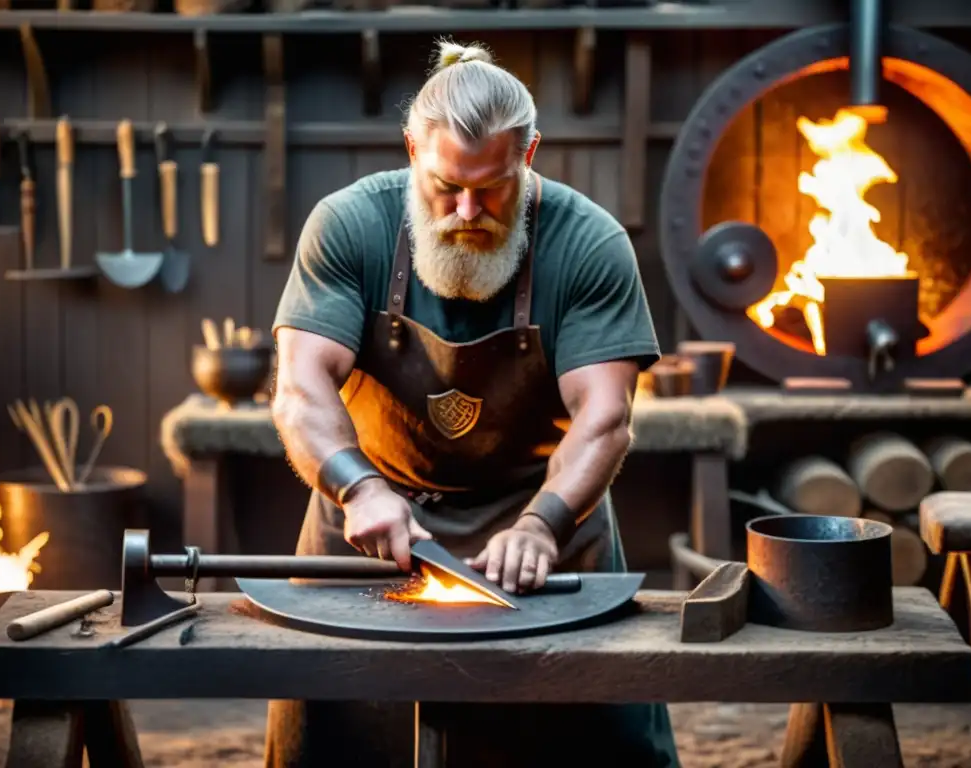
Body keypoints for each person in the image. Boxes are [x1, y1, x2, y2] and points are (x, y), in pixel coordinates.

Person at [265, 38, 680, 768]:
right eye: (443, 186)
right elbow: (301, 391)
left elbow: (605, 417)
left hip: (543, 524)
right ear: (410, 149)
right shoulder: (349, 225)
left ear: (530, 155)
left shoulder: (588, 243)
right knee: (336, 740)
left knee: (596, 744)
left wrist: (543, 525)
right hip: (372, 521)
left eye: (492, 190)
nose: (465, 211)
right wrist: (359, 488)